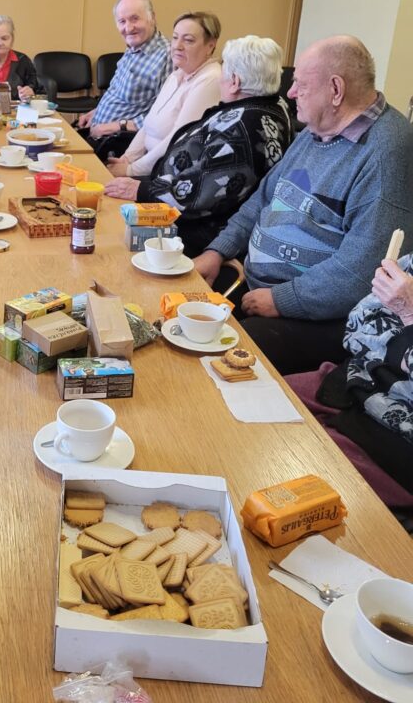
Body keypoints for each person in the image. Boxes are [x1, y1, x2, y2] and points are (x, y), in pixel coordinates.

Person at [193, 35, 413, 374]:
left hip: (325, 315)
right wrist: (218, 250)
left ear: (335, 90)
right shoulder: (317, 130)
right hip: (260, 284)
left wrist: (282, 300)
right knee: (186, 304)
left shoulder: (387, 154)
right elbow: (263, 199)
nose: (291, 93)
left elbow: (360, 272)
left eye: (300, 84)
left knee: (231, 358)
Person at [106, 36, 291, 256]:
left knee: (109, 233)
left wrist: (141, 189)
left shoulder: (243, 129)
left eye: (224, 73)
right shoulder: (273, 105)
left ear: (234, 81)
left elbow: (198, 194)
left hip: (195, 228)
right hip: (175, 197)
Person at [286, 255, 413, 510]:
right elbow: (358, 325)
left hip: (398, 437)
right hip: (363, 379)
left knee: (298, 471)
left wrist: (409, 315)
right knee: (258, 399)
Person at [107, 11, 222, 178]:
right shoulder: (177, 74)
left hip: (167, 174)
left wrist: (131, 170)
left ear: (210, 45)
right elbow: (147, 125)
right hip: (146, 165)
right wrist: (126, 159)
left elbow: (177, 139)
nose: (177, 46)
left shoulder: (210, 79)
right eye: (175, 38)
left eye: (188, 40)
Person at [76, 0, 172, 161]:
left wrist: (114, 126)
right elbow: (120, 97)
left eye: (135, 19)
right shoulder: (133, 48)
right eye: (122, 21)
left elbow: (164, 118)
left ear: (152, 18)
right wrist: (96, 112)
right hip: (97, 133)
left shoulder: (167, 56)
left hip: (118, 148)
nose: (128, 28)